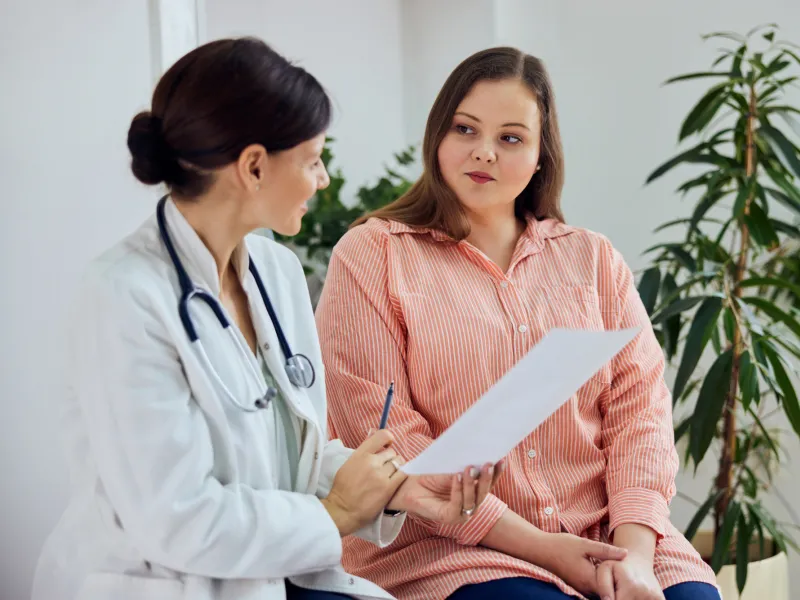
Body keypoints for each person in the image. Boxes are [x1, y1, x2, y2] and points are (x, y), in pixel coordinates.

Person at [31, 38, 504, 600]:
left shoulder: (275, 274)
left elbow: (282, 453)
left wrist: (397, 487)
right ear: (254, 167)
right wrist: (337, 513)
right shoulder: (123, 298)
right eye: (312, 160)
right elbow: (178, 520)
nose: (324, 179)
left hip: (272, 574)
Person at [315, 47, 721, 600]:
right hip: (450, 546)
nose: (483, 152)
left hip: (605, 527)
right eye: (464, 128)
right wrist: (544, 548)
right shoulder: (372, 254)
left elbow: (639, 418)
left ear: (539, 156)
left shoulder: (593, 259)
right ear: (438, 135)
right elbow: (388, 437)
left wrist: (635, 559)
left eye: (510, 138)